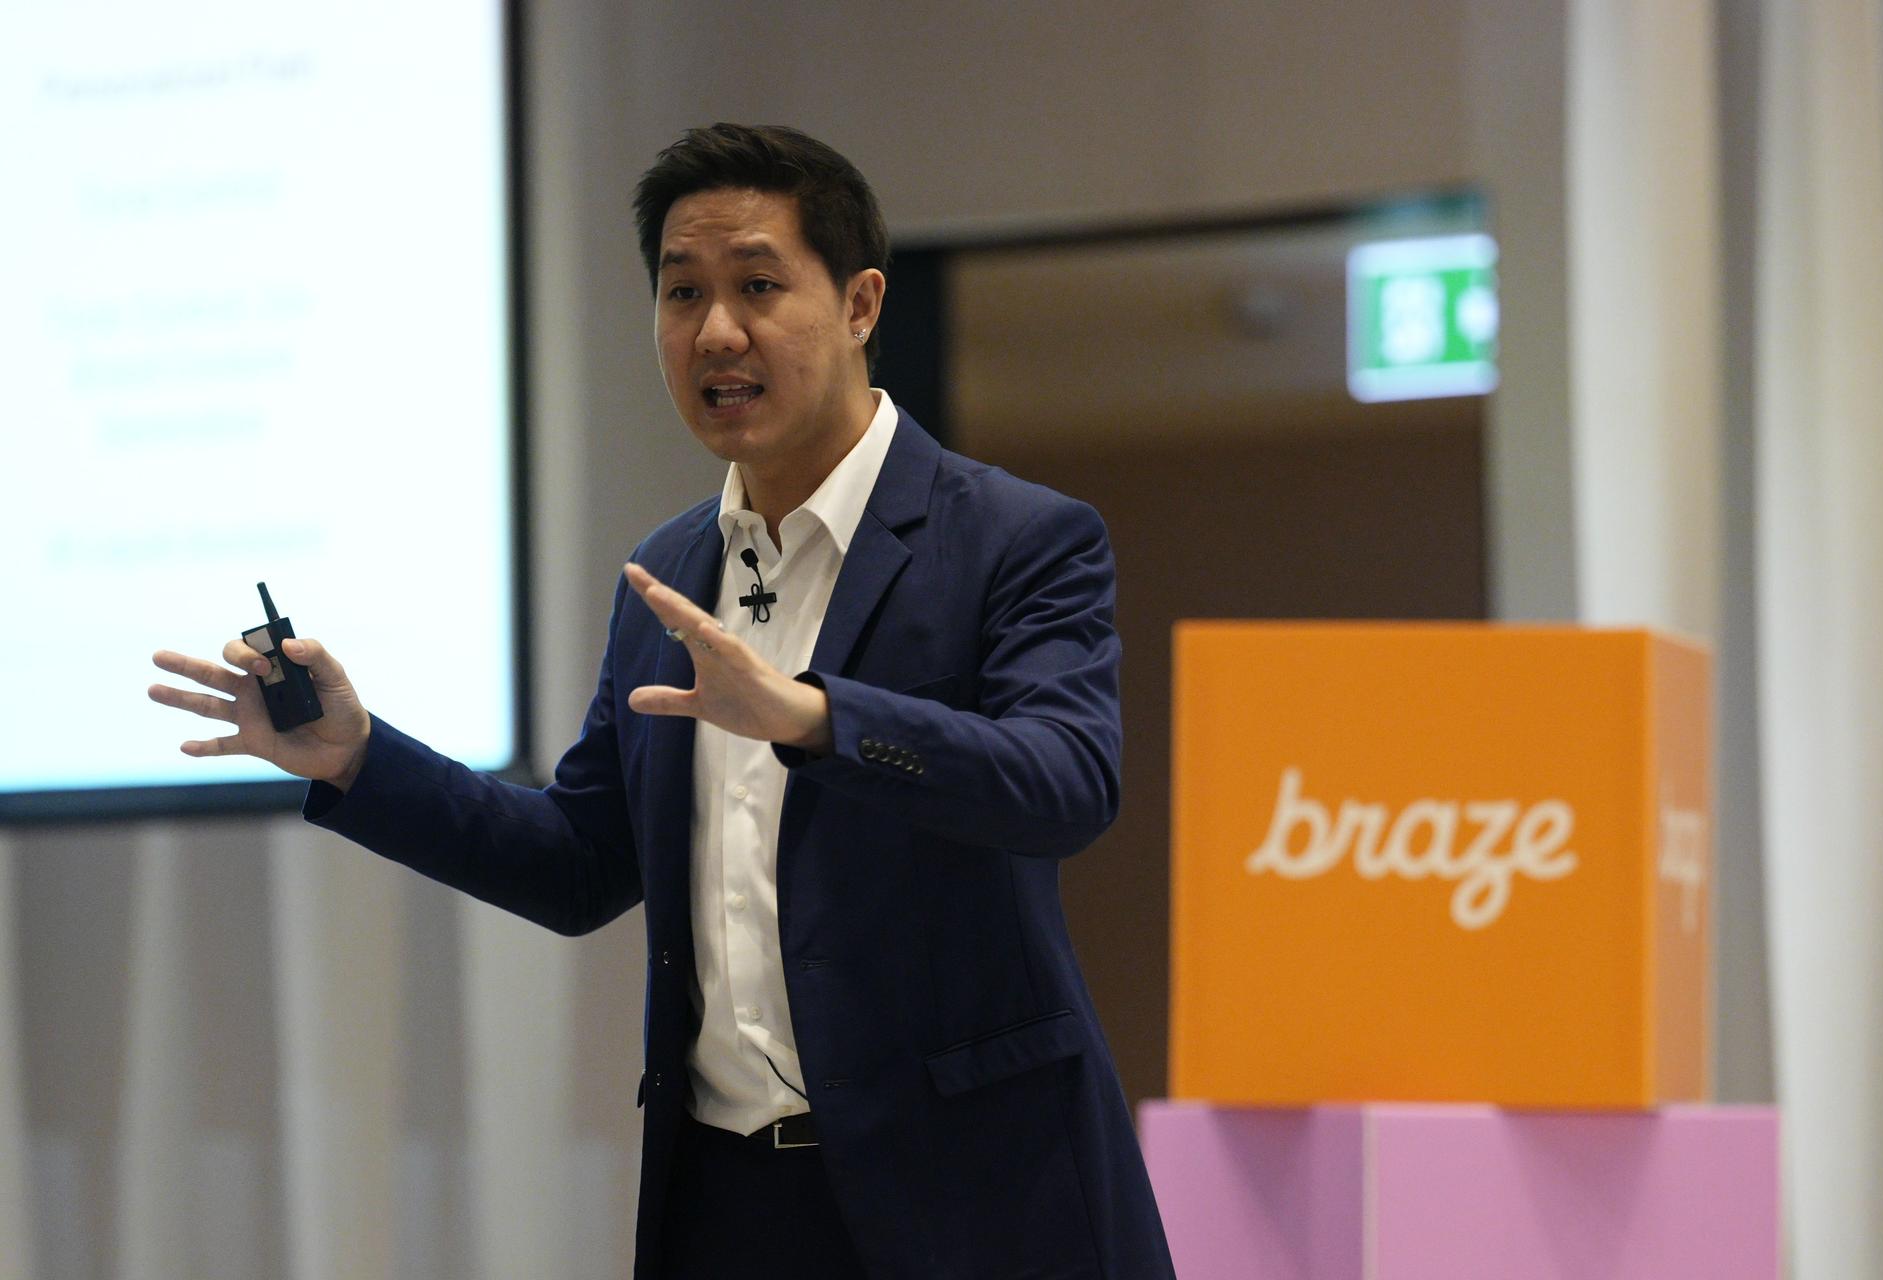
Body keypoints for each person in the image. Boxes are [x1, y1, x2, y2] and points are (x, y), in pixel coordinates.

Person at [149, 123, 1175, 1279]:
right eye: (682, 291)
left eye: (757, 285)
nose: (716, 331)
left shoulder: (1016, 538)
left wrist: (818, 716)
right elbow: (580, 860)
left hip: (978, 1199)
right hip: (732, 1205)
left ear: (860, 303)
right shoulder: (668, 572)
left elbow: (1065, 783)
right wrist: (357, 756)